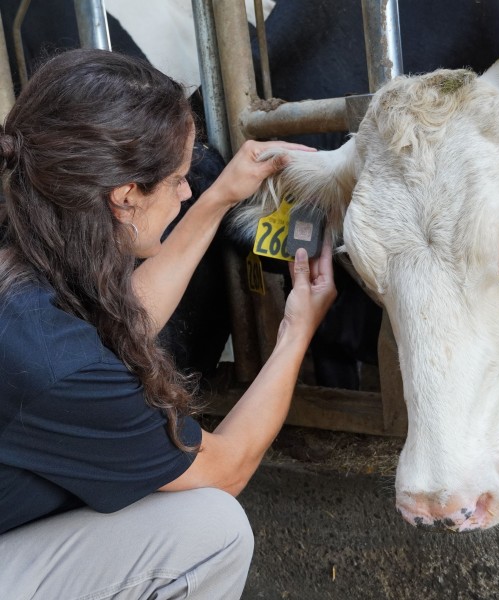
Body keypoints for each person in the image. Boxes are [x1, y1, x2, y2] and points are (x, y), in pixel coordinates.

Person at [0, 48, 336, 599]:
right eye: (181, 179)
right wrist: (296, 332)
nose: (187, 190)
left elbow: (114, 324)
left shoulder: (29, 249)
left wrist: (221, 196)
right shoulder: (53, 364)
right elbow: (225, 469)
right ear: (125, 197)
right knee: (210, 530)